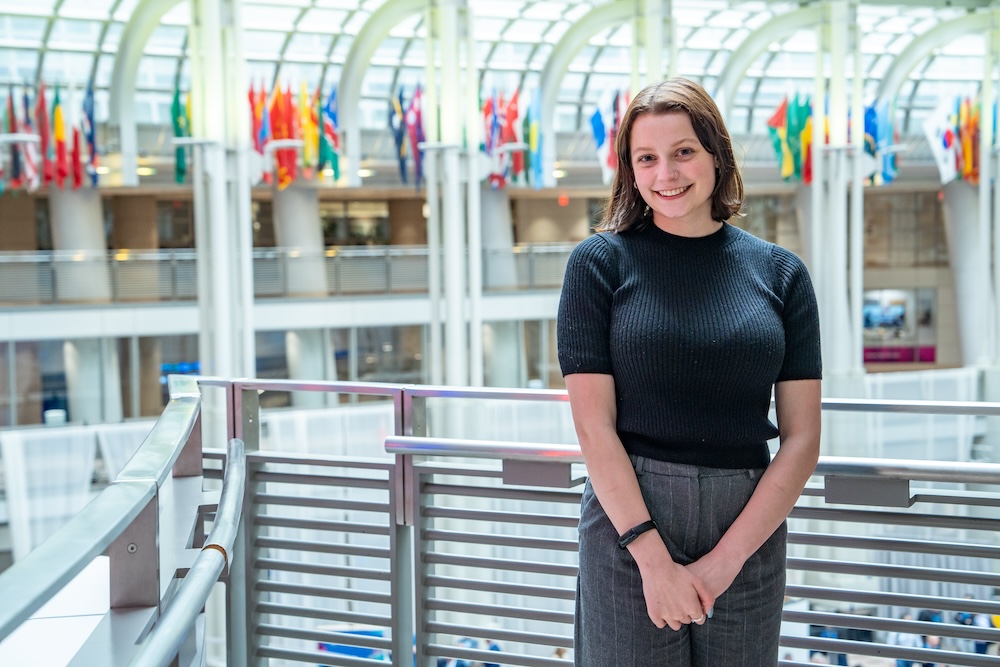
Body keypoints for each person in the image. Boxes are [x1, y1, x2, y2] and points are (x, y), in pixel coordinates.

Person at [557, 77, 822, 666]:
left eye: (683, 152)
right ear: (629, 170)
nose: (666, 174)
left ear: (716, 155)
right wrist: (652, 559)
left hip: (748, 528)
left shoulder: (782, 275)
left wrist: (725, 562)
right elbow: (593, 429)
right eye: (646, 158)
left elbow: (802, 439)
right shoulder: (598, 265)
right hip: (631, 525)